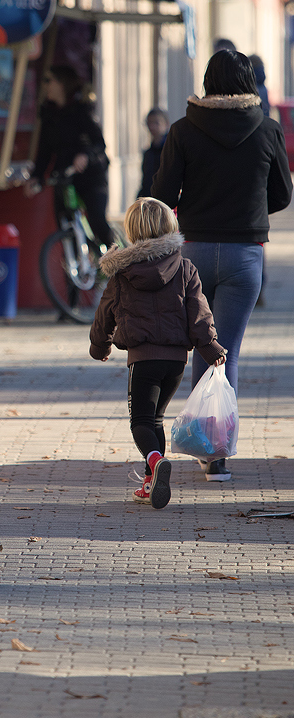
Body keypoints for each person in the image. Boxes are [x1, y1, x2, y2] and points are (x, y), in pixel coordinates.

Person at [152, 49, 292, 481]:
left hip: (191, 253)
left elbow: (161, 191)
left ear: (209, 81)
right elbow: (283, 194)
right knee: (224, 351)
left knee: (199, 346)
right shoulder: (268, 129)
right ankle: (217, 455)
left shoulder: (182, 130)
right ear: (250, 81)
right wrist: (248, 210)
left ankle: (202, 442)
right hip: (244, 255)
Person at [89, 198, 227, 509]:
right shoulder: (184, 268)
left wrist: (100, 345)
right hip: (177, 362)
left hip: (143, 358)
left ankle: (155, 461)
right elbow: (199, 314)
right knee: (157, 419)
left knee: (140, 420)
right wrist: (211, 348)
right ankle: (152, 484)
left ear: (132, 231)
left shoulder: (123, 272)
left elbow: (104, 313)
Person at [25, 65, 114, 249]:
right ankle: (74, 274)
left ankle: (122, 263)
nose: (46, 86)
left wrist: (85, 156)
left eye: (49, 81)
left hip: (91, 176)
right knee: (66, 228)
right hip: (65, 177)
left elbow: (99, 144)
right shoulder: (49, 114)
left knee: (98, 220)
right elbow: (44, 152)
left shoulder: (82, 110)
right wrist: (36, 177)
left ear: (61, 84)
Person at [138, 108, 170, 197]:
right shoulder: (148, 153)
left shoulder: (172, 150)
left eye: (156, 123)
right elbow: (146, 181)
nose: (152, 127)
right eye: (149, 123)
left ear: (166, 124)